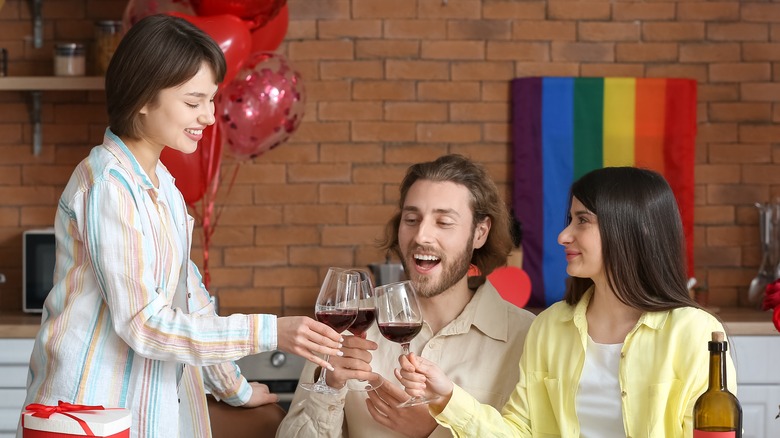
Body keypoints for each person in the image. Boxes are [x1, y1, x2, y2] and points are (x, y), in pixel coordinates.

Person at [19, 15, 343, 438]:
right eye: (194, 102)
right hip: (84, 416)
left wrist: (235, 390)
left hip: (143, 414)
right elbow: (145, 323)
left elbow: (191, 300)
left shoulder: (163, 188)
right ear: (142, 98)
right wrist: (271, 331)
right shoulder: (108, 186)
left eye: (211, 100)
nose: (209, 117)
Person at [397, 166, 738, 437]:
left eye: (583, 220)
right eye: (569, 219)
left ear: (634, 229)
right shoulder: (550, 327)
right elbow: (519, 433)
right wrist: (447, 398)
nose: (563, 236)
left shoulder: (694, 333)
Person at [276, 154, 536, 438]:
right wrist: (329, 387)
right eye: (411, 219)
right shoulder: (346, 323)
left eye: (444, 222)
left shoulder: (527, 338)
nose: (421, 235)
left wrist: (433, 432)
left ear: (480, 233)